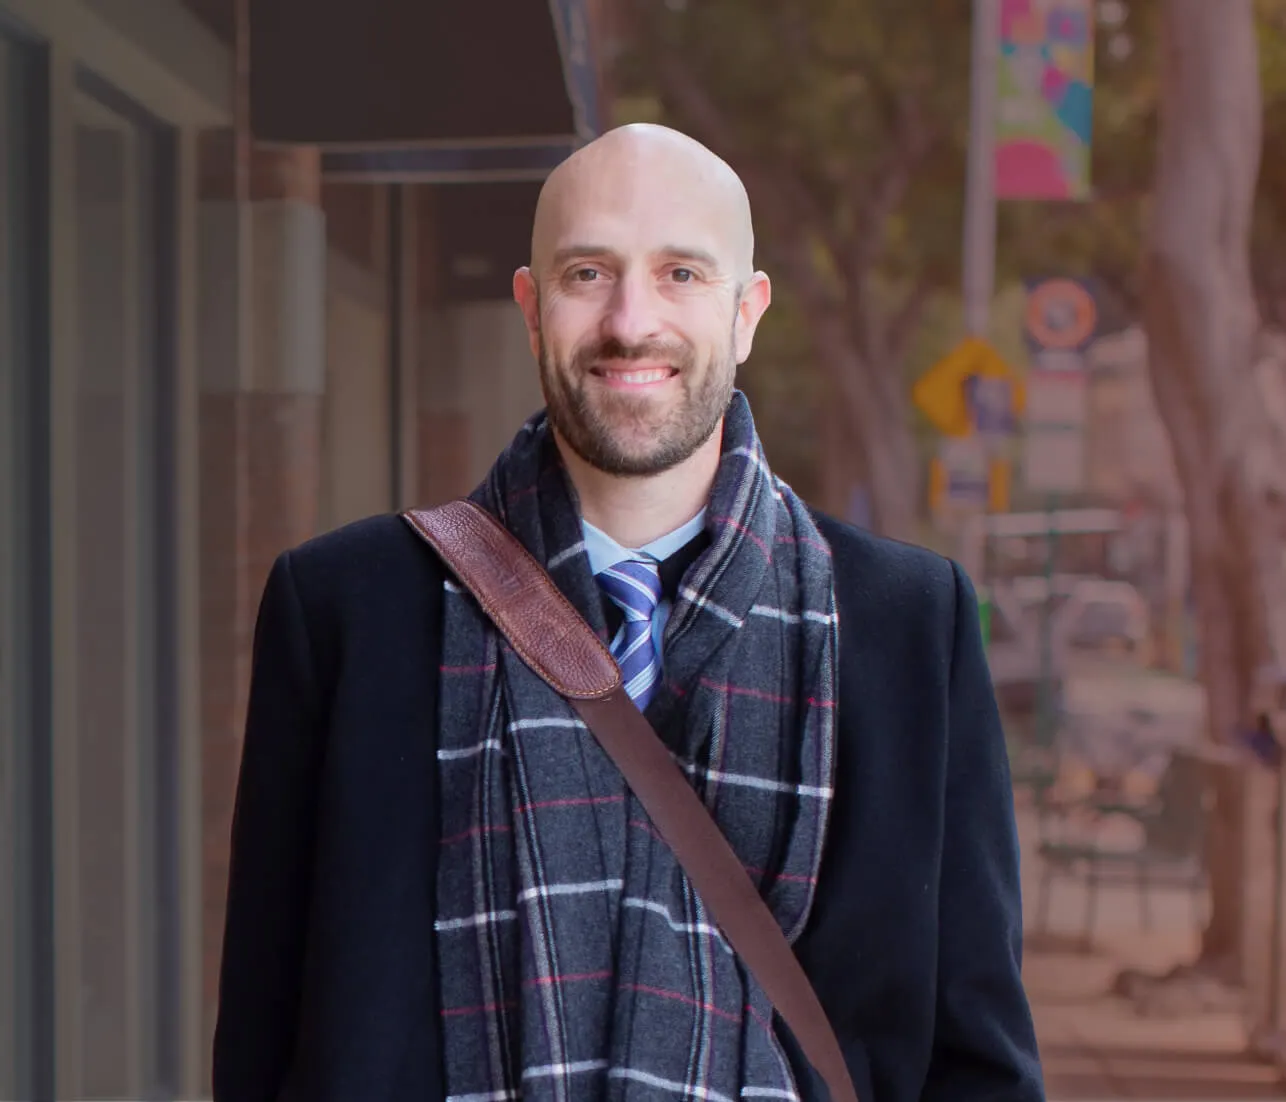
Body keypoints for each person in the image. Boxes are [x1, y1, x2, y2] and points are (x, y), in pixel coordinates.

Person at [213, 123, 1044, 1102]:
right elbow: (263, 1038)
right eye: (587, 273)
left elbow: (975, 1058)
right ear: (530, 307)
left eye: (682, 273)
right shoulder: (347, 609)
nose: (629, 320)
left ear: (746, 311)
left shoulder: (906, 624)